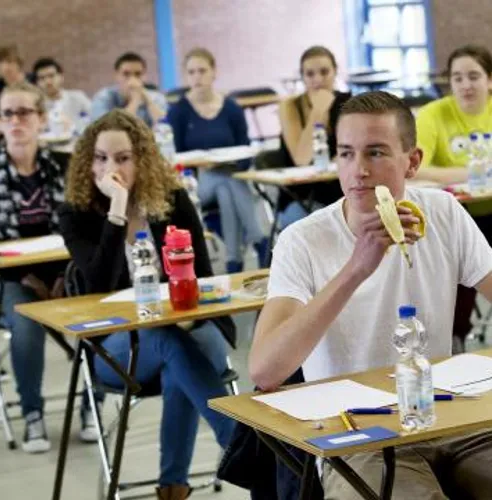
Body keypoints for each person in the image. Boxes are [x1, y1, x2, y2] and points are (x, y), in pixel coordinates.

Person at [249, 91, 492, 499]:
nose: (358, 170)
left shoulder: (443, 212)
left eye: (376, 153)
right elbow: (265, 370)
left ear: (411, 162)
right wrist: (357, 267)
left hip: (451, 420)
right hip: (360, 439)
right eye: (346, 154)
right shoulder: (303, 241)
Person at [59, 109, 236, 500]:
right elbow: (98, 284)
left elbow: (202, 276)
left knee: (192, 348)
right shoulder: (74, 213)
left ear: (141, 158)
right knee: (170, 342)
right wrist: (117, 208)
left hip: (183, 328)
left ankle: (173, 485)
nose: (111, 168)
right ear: (88, 162)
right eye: (101, 158)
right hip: (116, 345)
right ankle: (241, 443)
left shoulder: (171, 200)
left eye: (123, 158)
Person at [0, 82, 70, 453]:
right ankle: (32, 413)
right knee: (25, 324)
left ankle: (91, 404)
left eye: (24, 113)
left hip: (65, 275)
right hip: (11, 277)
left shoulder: (64, 168)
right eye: (8, 114)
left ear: (41, 119)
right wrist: (27, 277)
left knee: (104, 314)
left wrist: (59, 278)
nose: (15, 121)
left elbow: (79, 231)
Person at [415, 44, 492, 350]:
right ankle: (455, 338)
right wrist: (473, 171)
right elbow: (416, 167)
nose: (465, 85)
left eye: (474, 76)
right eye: (457, 78)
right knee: (456, 263)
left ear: (490, 80)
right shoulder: (434, 113)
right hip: (455, 217)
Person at [167, 47, 268, 273]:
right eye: (191, 72)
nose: (197, 77)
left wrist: (230, 163)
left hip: (230, 178)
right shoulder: (178, 112)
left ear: (214, 73)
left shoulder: (231, 108)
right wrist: (204, 164)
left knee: (225, 188)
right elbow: (176, 159)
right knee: (226, 181)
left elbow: (245, 151)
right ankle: (259, 239)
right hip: (195, 185)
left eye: (202, 71)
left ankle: (233, 260)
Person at [277, 45, 350, 228]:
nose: (318, 79)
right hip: (301, 194)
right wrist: (318, 110)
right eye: (310, 74)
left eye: (324, 72)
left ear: (335, 72)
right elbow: (302, 158)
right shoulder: (290, 106)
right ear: (302, 77)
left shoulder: (348, 103)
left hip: (340, 190)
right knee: (309, 222)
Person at [91, 52, 167, 127]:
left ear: (145, 76)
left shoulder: (157, 97)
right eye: (126, 74)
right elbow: (109, 131)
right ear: (116, 75)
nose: (132, 79)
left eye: (138, 74)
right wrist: (135, 101)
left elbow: (165, 127)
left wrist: (148, 101)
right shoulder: (103, 98)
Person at [32, 57, 91, 127]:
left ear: (61, 77)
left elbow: (95, 119)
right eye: (42, 78)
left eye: (51, 76)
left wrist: (74, 125)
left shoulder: (78, 98)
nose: (48, 82)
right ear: (37, 83)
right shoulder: (36, 105)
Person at [0, 45, 29, 117]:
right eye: (1, 63)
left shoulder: (33, 81)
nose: (5, 67)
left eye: (9, 62)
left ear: (19, 63)